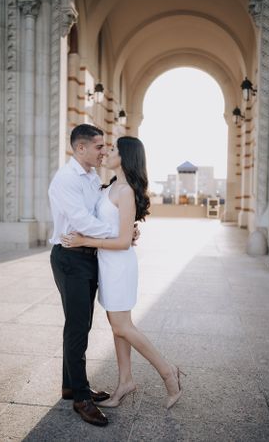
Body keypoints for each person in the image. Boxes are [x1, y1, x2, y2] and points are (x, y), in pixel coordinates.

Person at [61, 136, 184, 410]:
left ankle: (168, 373)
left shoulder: (126, 190)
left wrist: (85, 241)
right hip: (107, 264)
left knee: (122, 327)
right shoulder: (112, 186)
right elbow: (117, 228)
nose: (107, 152)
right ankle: (125, 381)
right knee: (119, 330)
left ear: (126, 156)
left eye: (113, 149)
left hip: (118, 265)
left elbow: (123, 241)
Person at [49, 124, 138, 427]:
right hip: (70, 257)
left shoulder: (92, 177)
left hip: (90, 257)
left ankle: (71, 385)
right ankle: (81, 399)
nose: (104, 151)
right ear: (81, 148)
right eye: (99, 146)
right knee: (78, 327)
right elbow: (83, 222)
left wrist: (127, 228)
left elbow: (102, 213)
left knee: (79, 325)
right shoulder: (65, 180)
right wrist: (122, 232)